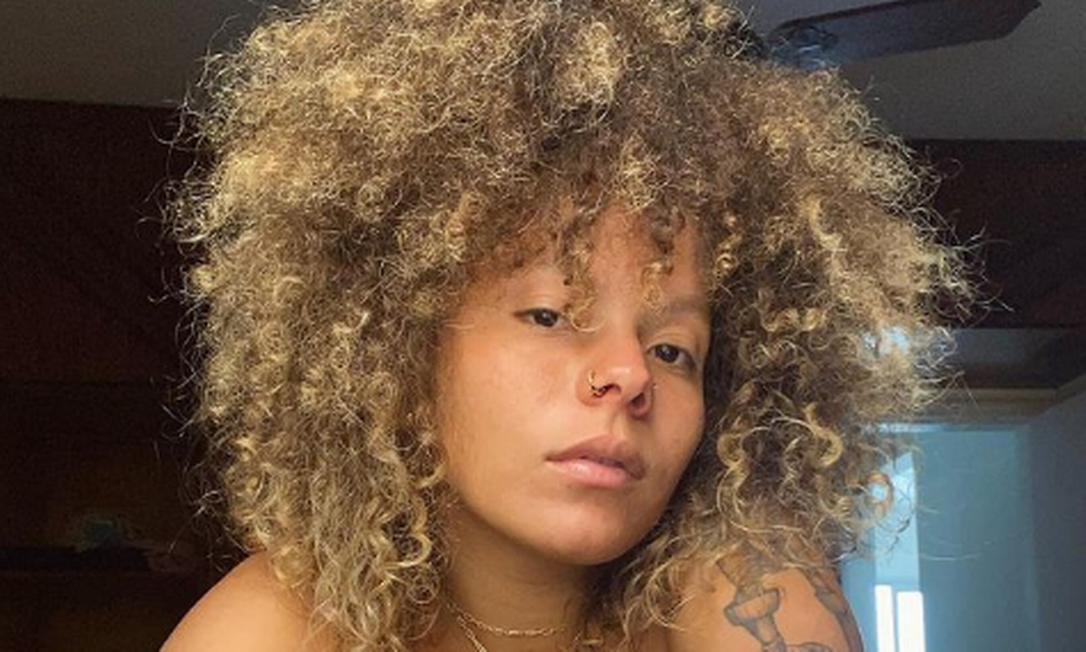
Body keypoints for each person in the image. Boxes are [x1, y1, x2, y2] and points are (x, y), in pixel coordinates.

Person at [163, 0, 968, 650]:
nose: (630, 373)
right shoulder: (268, 630)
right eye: (551, 314)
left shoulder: (746, 591)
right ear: (396, 350)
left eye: (674, 350)